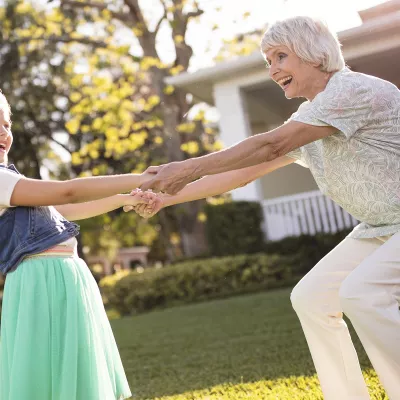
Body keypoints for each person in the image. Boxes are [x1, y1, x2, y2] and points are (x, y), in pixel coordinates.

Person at [136, 16, 400, 400]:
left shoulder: (352, 92)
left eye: (280, 57)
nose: (273, 69)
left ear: (314, 54)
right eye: (267, 61)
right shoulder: (310, 117)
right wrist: (165, 198)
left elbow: (270, 146)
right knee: (311, 298)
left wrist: (188, 167)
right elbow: (243, 172)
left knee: (361, 292)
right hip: (382, 226)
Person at [0, 91, 158, 400]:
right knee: (48, 365)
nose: (2, 133)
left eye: (6, 124)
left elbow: (64, 212)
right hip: (38, 280)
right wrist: (142, 178)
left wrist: (123, 199)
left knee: (75, 368)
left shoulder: (10, 179)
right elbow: (69, 192)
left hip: (66, 274)